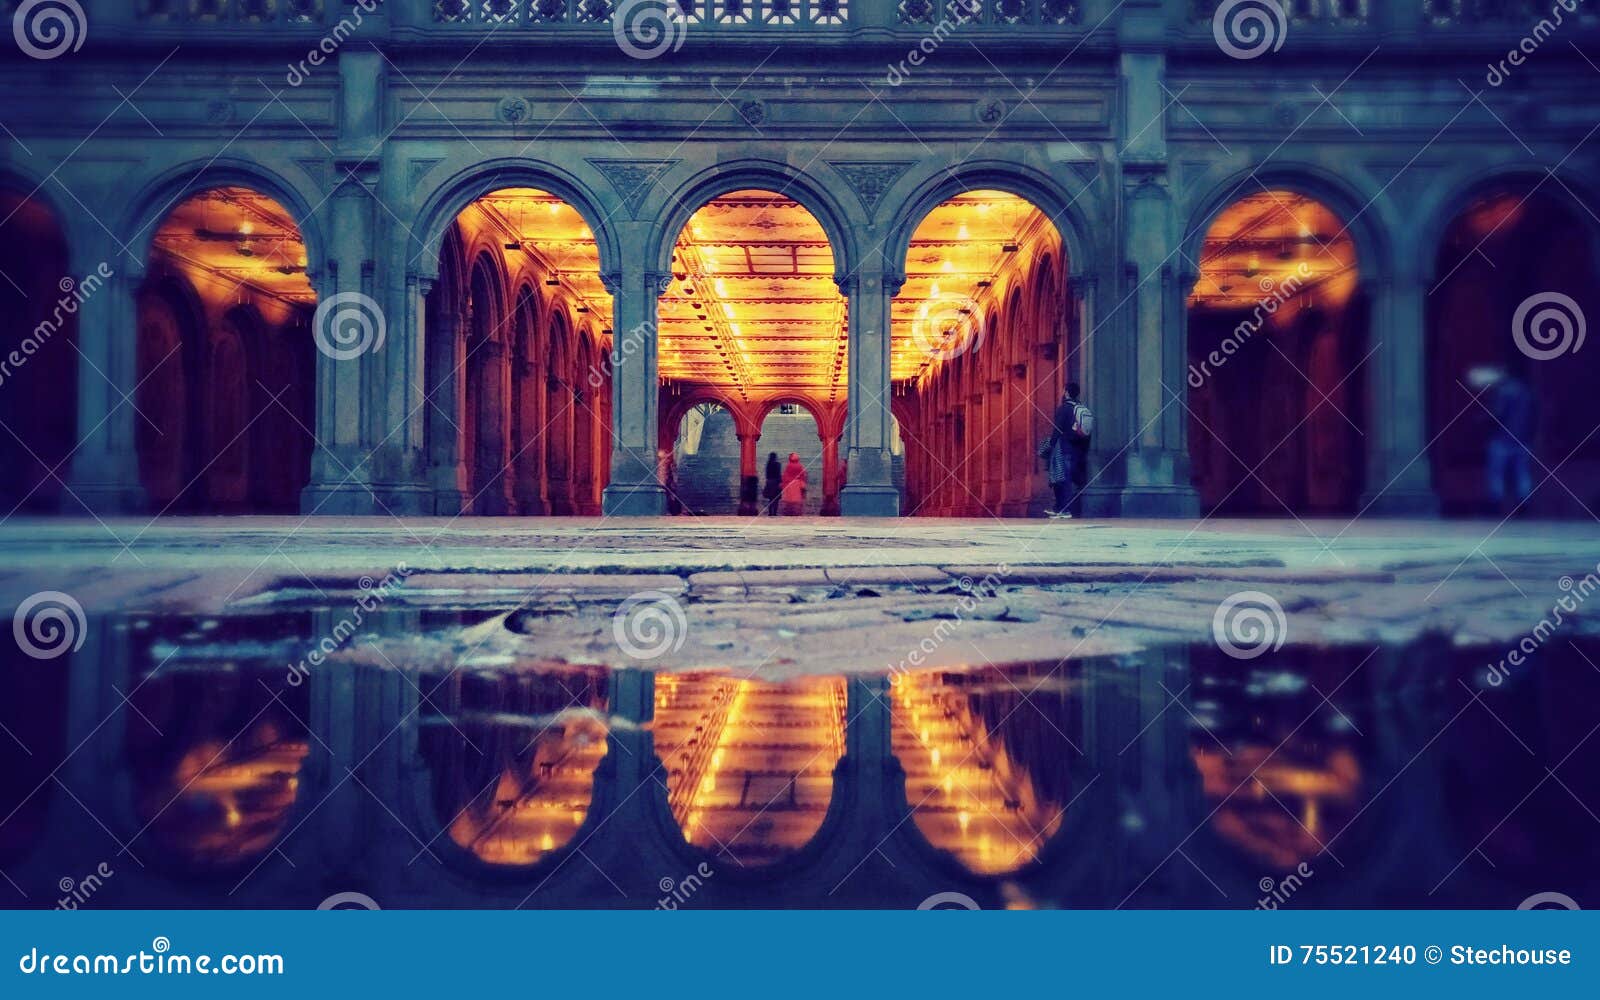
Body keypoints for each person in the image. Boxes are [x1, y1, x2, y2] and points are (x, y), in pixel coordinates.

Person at [1470, 366, 1535, 514]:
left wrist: (1480, 419)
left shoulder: (1502, 392)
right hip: (1523, 439)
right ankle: (1524, 504)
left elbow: (1497, 414)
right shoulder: (1526, 392)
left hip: (1502, 438)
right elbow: (1533, 416)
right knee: (1522, 473)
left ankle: (1496, 503)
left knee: (1496, 474)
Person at [1038, 381, 1093, 519]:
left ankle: (1064, 509)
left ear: (1066, 392)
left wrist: (1050, 446)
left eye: (1063, 390)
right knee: (1068, 478)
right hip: (1078, 449)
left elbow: (1057, 430)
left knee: (1061, 478)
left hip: (1064, 447)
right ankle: (1060, 508)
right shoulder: (1081, 408)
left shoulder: (1063, 409)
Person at [780, 452, 808, 516]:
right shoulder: (800, 466)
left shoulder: (788, 466)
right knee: (797, 502)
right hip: (798, 484)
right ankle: (797, 514)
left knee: (789, 502)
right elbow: (803, 476)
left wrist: (783, 485)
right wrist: (803, 485)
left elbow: (785, 476)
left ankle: (789, 514)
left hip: (789, 484)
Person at [763, 452, 782, 516]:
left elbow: (767, 475)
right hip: (776, 482)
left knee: (771, 498)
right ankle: (775, 513)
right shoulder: (778, 464)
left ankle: (770, 512)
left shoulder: (768, 464)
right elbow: (779, 474)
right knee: (776, 499)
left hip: (769, 482)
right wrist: (780, 482)